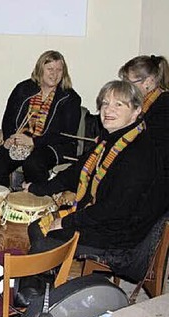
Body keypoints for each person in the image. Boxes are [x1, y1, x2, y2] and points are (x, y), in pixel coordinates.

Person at [26, 80, 168, 281]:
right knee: (37, 227)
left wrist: (66, 221)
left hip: (121, 239)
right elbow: (77, 171)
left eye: (119, 104)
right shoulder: (112, 139)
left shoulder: (138, 154)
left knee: (45, 239)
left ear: (136, 111)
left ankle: (33, 295)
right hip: (107, 220)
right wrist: (37, 188)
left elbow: (114, 209)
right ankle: (48, 282)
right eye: (105, 103)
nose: (108, 110)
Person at [0, 50, 81, 188]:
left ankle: (39, 202)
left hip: (53, 145)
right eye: (49, 69)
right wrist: (10, 139)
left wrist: (33, 141)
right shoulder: (23, 89)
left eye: (59, 70)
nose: (54, 74)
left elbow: (66, 134)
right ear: (40, 70)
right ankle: (2, 202)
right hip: (21, 143)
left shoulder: (70, 98)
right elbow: (8, 119)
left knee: (33, 163)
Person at [118, 55, 169, 167]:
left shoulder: (164, 105)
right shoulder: (141, 102)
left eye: (129, 83)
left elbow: (157, 149)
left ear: (148, 82)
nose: (125, 88)